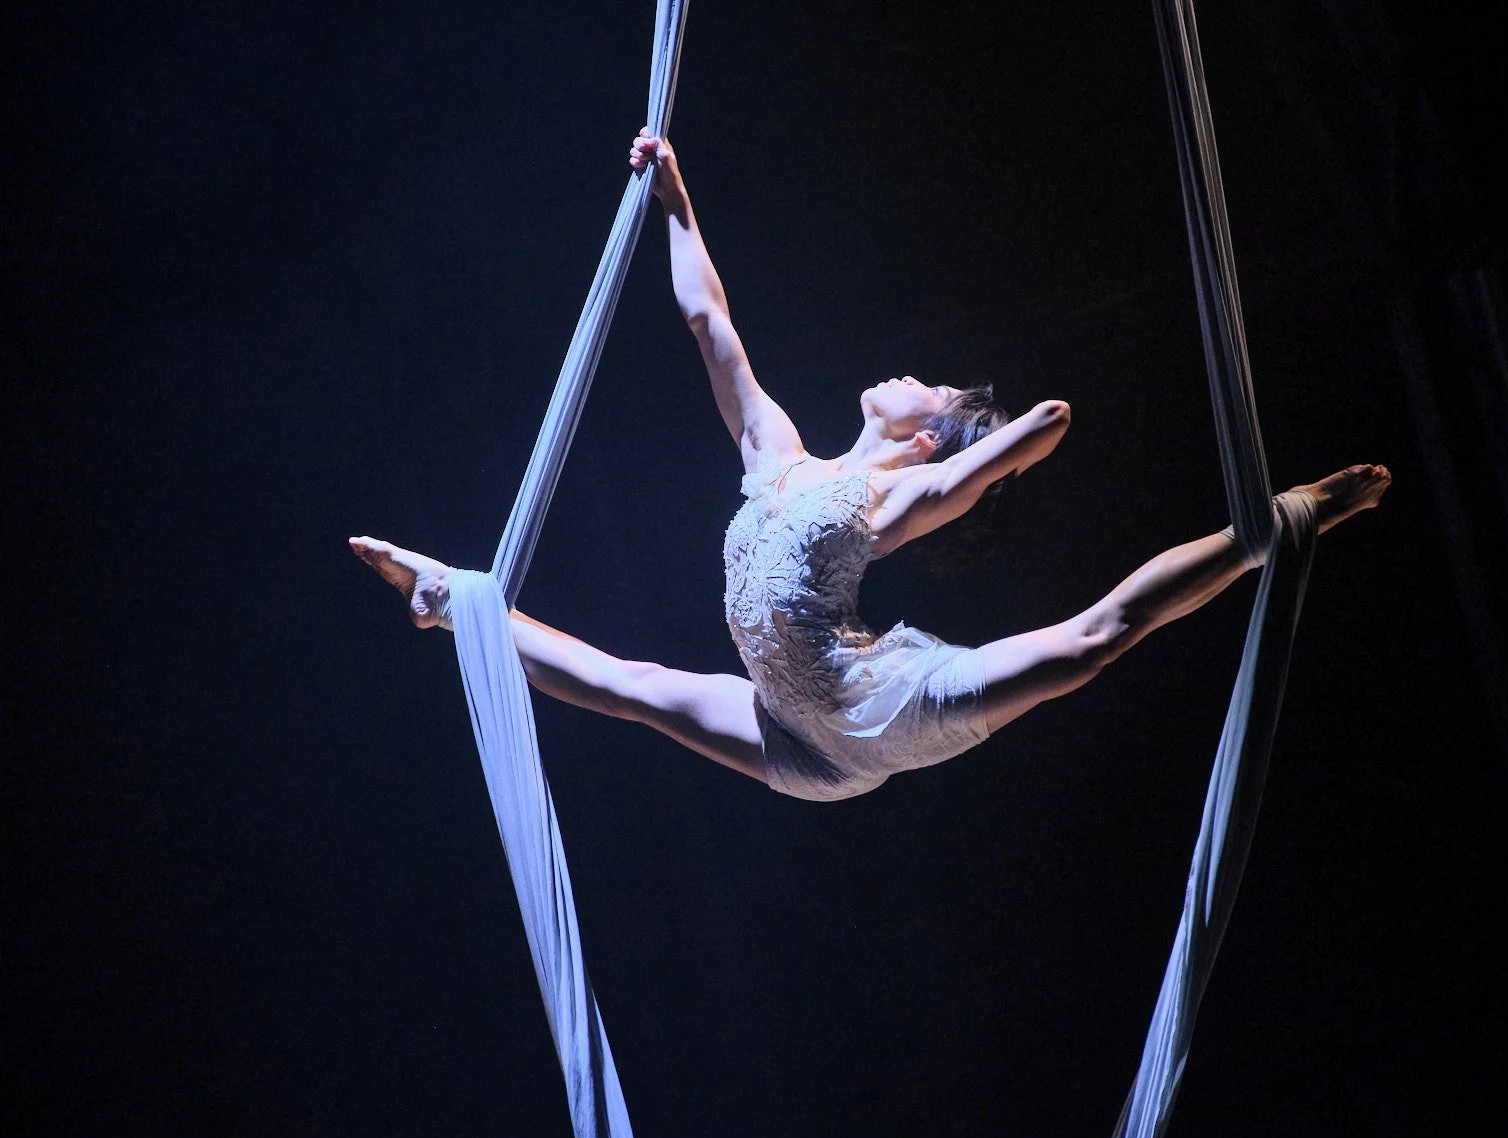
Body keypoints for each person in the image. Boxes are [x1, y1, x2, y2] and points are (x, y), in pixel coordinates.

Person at [350, 132, 1391, 801]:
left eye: (931, 389)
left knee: (1091, 641)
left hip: (879, 710)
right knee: (635, 687)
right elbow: (710, 323)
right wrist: (675, 200)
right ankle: (450, 597)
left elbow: (1019, 447)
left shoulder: (894, 494)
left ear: (932, 435)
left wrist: (1016, 435)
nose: (909, 374)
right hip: (802, 735)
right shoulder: (778, 458)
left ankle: (1281, 522)